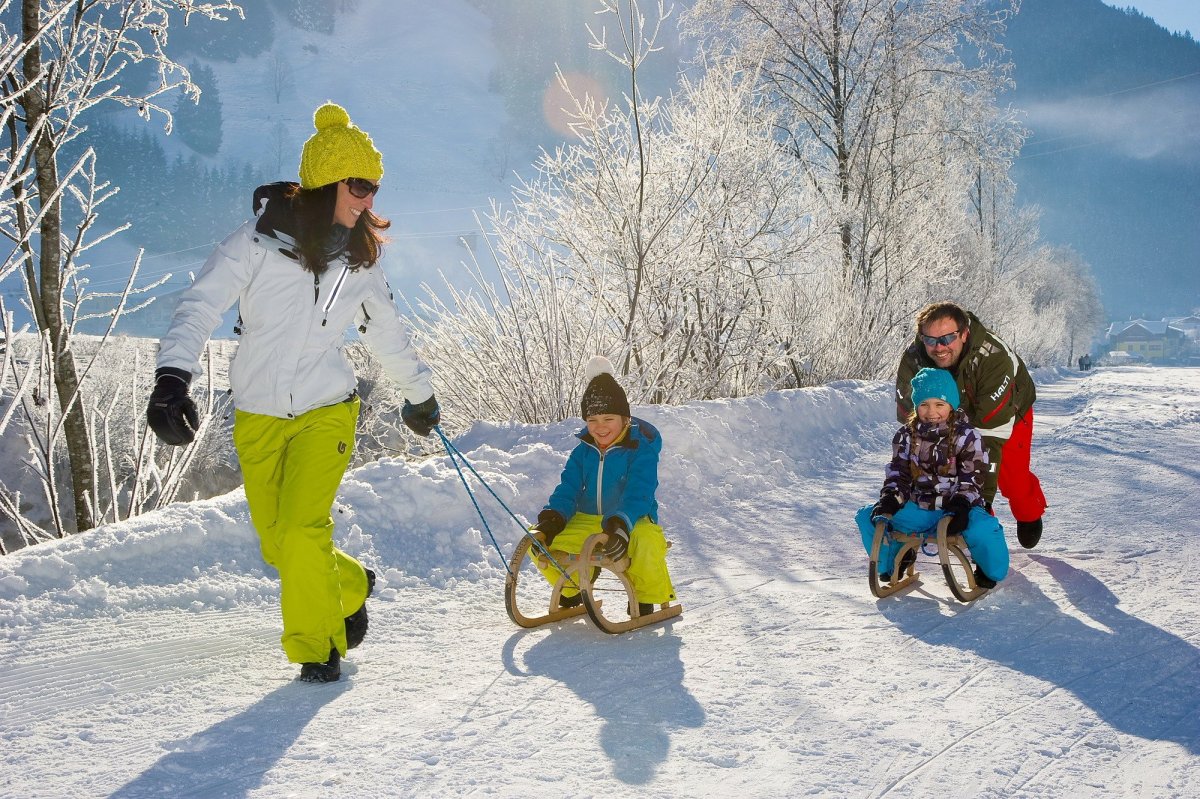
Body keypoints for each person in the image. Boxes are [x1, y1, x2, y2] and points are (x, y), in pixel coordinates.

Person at [146, 102, 441, 683]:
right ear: (327, 181)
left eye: (374, 188)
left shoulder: (359, 263)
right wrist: (172, 378)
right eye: (360, 185)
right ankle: (350, 585)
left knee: (305, 531)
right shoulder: (255, 244)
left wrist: (418, 395)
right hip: (257, 414)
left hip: (327, 411)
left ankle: (316, 650)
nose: (369, 200)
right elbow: (200, 304)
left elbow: (386, 334)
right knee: (281, 547)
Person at [529, 356, 676, 615]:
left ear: (624, 418)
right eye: (593, 420)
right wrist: (554, 517)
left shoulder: (640, 448)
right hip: (588, 519)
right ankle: (572, 587)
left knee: (646, 542)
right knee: (537, 541)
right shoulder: (583, 451)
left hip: (631, 519)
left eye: (608, 419)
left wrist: (621, 523)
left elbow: (639, 491)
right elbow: (569, 488)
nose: (600, 427)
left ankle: (645, 597)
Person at [896, 301, 1046, 549]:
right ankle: (966, 529)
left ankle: (1028, 511)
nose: (939, 347)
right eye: (930, 340)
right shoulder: (914, 360)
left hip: (1006, 410)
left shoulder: (994, 357)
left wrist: (980, 502)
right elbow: (913, 427)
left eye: (947, 338)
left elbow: (989, 437)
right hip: (947, 411)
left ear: (964, 333)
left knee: (1010, 476)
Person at [857, 368, 1009, 588]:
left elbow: (973, 477)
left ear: (951, 405)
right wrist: (891, 497)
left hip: (958, 508)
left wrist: (961, 505)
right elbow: (899, 472)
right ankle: (893, 563)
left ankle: (989, 570)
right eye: (924, 405)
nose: (931, 412)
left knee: (983, 529)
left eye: (939, 404)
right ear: (916, 406)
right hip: (920, 507)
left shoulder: (968, 436)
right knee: (869, 517)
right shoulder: (906, 436)